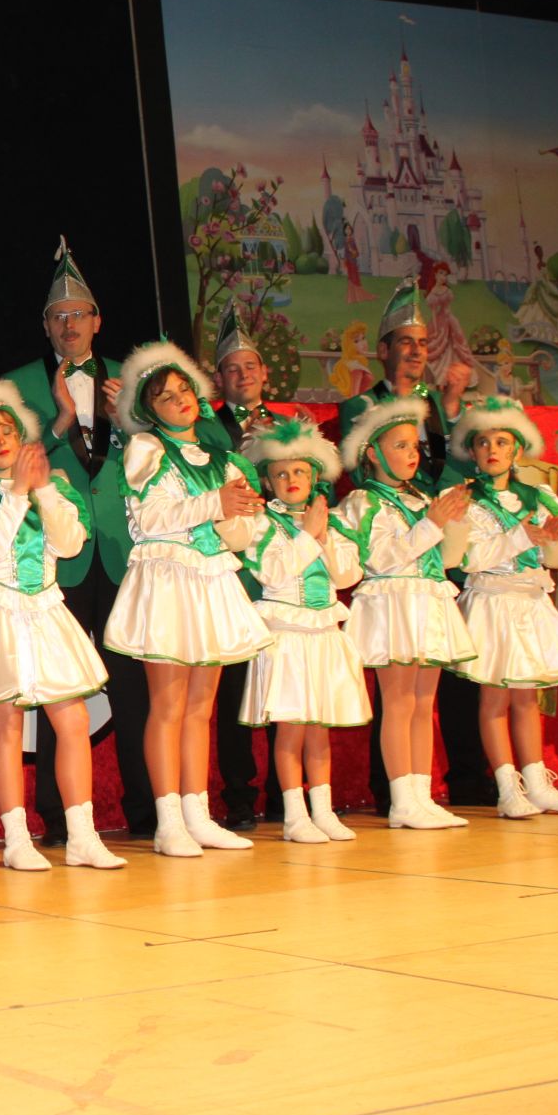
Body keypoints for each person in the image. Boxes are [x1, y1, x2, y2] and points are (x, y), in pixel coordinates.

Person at [0, 380, 123, 870]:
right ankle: (17, 839)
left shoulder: (51, 485)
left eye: (8, 431)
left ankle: (82, 836)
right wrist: (17, 492)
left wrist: (42, 489)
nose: (0, 441)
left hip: (45, 608)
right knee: (7, 725)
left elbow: (69, 544)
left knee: (74, 720)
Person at [0, 238, 146, 842]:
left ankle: (149, 808)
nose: (68, 325)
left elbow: (176, 451)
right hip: (56, 554)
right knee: (52, 687)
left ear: (97, 321)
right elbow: (7, 461)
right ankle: (57, 818)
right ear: (45, 325)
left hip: (121, 549)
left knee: (135, 685)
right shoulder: (17, 385)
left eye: (78, 314)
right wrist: (60, 422)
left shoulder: (133, 381)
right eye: (57, 316)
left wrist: (128, 424)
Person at [102, 342, 271, 857]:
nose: (179, 399)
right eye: (165, 396)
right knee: (169, 705)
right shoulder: (146, 449)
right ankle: (168, 820)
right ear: (148, 409)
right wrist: (214, 502)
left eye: (184, 390)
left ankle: (198, 814)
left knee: (201, 708)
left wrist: (239, 515)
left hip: (211, 579)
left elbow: (240, 537)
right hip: (168, 579)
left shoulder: (225, 460)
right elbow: (149, 518)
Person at [336, 276, 487, 812]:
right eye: (406, 342)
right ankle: (396, 795)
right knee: (398, 698)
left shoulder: (437, 407)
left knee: (426, 698)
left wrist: (447, 513)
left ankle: (423, 794)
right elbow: (365, 494)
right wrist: (428, 519)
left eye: (424, 343)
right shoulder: (363, 408)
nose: (418, 352)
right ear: (384, 350)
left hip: (428, 559)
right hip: (395, 567)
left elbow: (447, 466)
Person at [449, 397, 558, 818]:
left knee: (527, 697)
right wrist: (520, 537)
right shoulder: (463, 499)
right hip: (492, 601)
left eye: (501, 442)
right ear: (472, 450)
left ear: (517, 448)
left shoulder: (539, 495)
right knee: (494, 698)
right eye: (483, 442)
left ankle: (537, 783)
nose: (492, 450)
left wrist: (554, 538)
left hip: (530, 601)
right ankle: (507, 788)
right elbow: (468, 559)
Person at [236, 417, 368, 844]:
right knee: (291, 728)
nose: (291, 479)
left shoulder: (333, 522)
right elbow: (273, 573)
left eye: (299, 471)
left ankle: (323, 810)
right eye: (280, 474)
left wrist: (323, 536)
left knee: (319, 727)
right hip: (287, 635)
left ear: (315, 477)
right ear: (267, 481)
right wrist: (308, 536)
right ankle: (294, 814)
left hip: (323, 633)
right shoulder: (262, 523)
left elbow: (347, 575)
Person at [203, 304, 306, 830]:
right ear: (219, 379)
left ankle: (290, 795)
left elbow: (314, 488)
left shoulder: (291, 427)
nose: (242, 375)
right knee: (237, 688)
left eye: (250, 366)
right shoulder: (205, 429)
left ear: (265, 373)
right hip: (235, 569)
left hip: (283, 571)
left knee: (287, 682)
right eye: (232, 369)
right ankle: (239, 796)